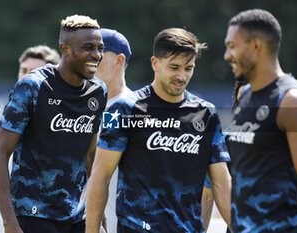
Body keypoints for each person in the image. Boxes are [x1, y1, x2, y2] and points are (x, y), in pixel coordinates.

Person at [86, 27, 232, 233]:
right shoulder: (124, 109)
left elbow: (221, 184)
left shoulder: (206, 114)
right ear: (155, 63)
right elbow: (100, 176)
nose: (181, 76)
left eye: (188, 68)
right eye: (174, 67)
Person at [0, 14, 107, 233]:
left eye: (100, 48)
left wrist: (97, 212)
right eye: (88, 47)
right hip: (33, 215)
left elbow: (90, 155)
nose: (96, 55)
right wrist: (9, 222)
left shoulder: (99, 91)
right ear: (65, 49)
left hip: (77, 216)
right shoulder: (32, 86)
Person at [224, 9, 297, 233]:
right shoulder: (245, 97)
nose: (227, 55)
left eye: (232, 46)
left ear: (256, 46)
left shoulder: (292, 101)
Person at [0, 45, 60, 233]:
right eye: (23, 70)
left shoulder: (64, 123)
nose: (26, 76)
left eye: (34, 71)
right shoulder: (16, 119)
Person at [94, 28, 132, 233]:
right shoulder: (81, 106)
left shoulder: (135, 109)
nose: (91, 56)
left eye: (100, 52)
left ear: (119, 61)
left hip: (119, 225)